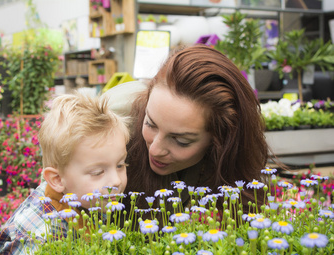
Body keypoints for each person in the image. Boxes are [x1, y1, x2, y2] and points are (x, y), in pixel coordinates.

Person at [0, 92, 130, 255]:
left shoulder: (86, 199)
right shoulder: (35, 241)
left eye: (121, 164)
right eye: (98, 172)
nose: (116, 180)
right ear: (57, 179)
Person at [115, 44, 271, 213]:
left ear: (220, 139)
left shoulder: (229, 168)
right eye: (150, 124)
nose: (155, 149)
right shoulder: (115, 120)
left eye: (181, 141)